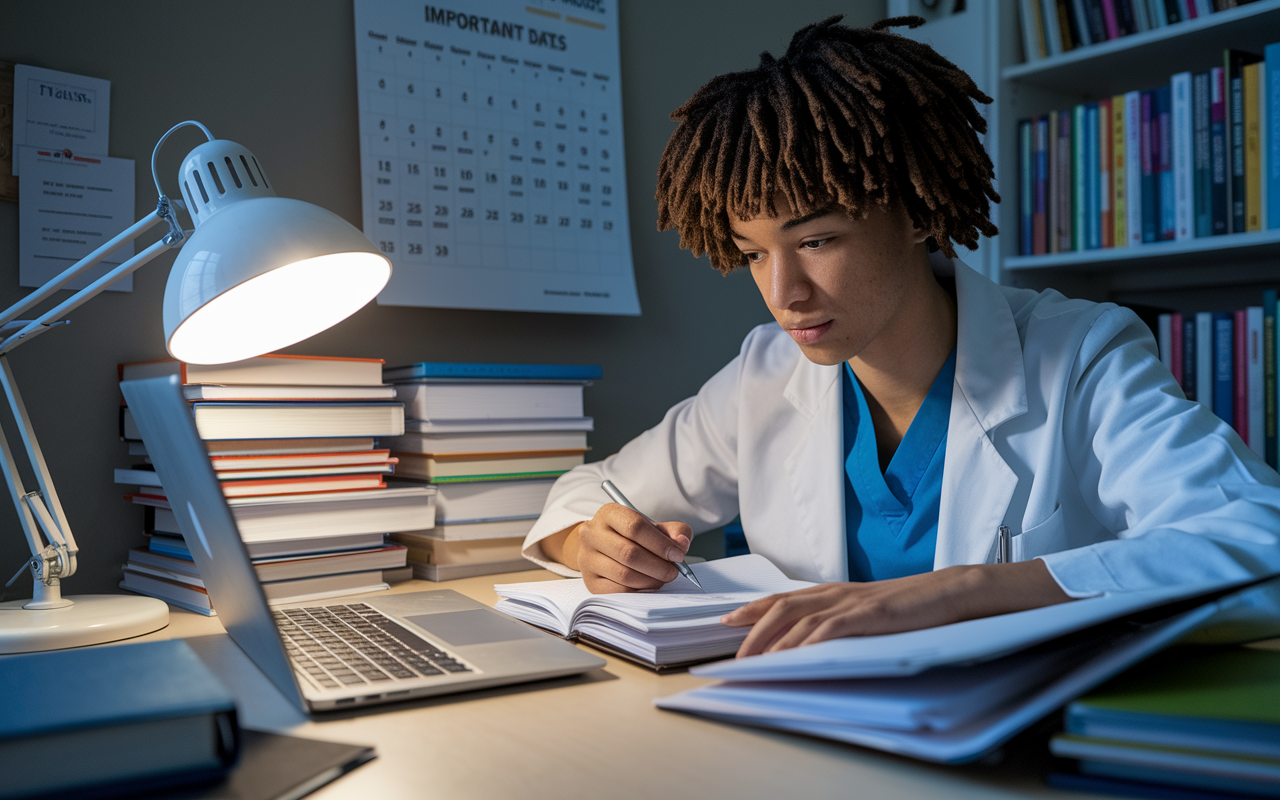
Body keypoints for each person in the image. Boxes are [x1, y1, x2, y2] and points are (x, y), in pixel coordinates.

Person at [521, 16, 1280, 657]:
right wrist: (592, 542)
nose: (783, 294)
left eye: (816, 241)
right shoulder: (765, 374)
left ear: (917, 214)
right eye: (754, 254)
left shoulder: (1081, 354)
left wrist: (964, 591)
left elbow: (1257, 537)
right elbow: (586, 493)